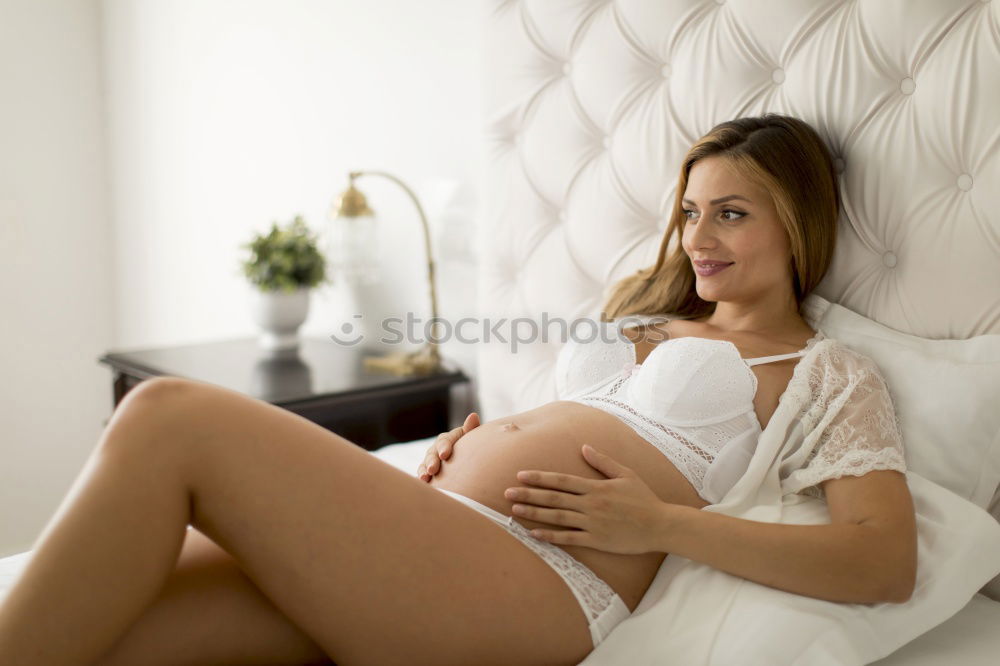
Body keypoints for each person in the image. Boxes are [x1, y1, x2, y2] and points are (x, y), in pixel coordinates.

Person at [0, 114, 915, 666]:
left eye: (731, 212)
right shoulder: (645, 315)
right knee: (116, 630)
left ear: (796, 224)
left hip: (542, 586)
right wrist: (476, 442)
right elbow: (578, 420)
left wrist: (661, 526)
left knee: (167, 415)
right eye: (687, 211)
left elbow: (884, 562)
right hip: (441, 536)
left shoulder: (824, 372)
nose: (697, 236)